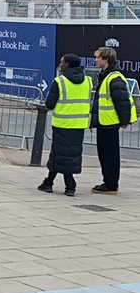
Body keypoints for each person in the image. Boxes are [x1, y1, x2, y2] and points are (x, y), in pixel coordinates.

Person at [38, 54, 92, 197]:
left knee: (59, 154)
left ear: (67, 64)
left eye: (62, 62)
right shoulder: (88, 81)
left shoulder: (60, 81)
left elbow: (50, 103)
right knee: (70, 155)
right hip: (79, 124)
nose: (60, 65)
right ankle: (61, 184)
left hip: (62, 124)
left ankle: (59, 184)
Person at [90, 45, 137, 195]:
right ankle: (108, 181)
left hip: (109, 122)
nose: (96, 60)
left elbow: (122, 101)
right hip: (104, 122)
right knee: (104, 154)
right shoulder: (106, 75)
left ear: (106, 59)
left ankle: (111, 184)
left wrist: (125, 120)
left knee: (110, 155)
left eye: (98, 57)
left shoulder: (114, 77)